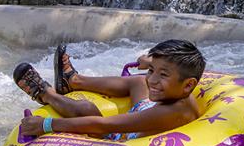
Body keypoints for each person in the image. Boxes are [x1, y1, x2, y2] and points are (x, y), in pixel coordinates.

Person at [14, 40, 204, 139]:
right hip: (146, 116)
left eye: (163, 75)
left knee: (87, 110)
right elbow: (163, 71)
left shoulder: (171, 112)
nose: (152, 80)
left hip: (127, 143)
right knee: (138, 82)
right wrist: (151, 62)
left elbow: (104, 125)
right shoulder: (181, 94)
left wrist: (46, 125)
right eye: (152, 71)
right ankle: (73, 81)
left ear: (188, 84)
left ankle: (47, 94)